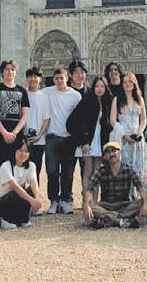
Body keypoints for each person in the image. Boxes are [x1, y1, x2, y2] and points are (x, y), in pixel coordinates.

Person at [35, 67, 81, 213]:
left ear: (67, 78)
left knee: (68, 172)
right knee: (52, 172)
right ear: (53, 79)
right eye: (56, 78)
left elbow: (80, 117)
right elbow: (33, 93)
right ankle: (54, 201)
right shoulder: (47, 92)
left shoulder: (75, 96)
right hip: (52, 137)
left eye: (62, 78)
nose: (59, 81)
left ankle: (65, 201)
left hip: (69, 139)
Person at [83, 141, 147, 229]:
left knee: (141, 202)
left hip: (124, 205)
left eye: (114, 151)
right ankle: (122, 221)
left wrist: (145, 204)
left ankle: (109, 220)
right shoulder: (101, 170)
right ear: (105, 156)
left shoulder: (128, 169)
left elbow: (141, 187)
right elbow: (90, 189)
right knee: (90, 206)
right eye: (108, 152)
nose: (111, 154)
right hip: (106, 205)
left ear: (120, 152)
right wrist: (86, 205)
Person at [0, 60, 30, 193]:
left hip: (16, 138)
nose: (10, 72)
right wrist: (4, 133)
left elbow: (25, 115)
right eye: (7, 69)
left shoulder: (22, 91)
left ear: (16, 72)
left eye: (12, 69)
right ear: (2, 72)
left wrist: (14, 133)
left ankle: (14, 202)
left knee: (16, 171)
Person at [67, 75, 112, 193]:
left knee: (97, 172)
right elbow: (72, 122)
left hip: (100, 141)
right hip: (88, 141)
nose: (99, 89)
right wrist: (83, 141)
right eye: (97, 86)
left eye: (102, 86)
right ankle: (86, 200)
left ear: (106, 88)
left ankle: (94, 201)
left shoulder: (108, 102)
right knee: (88, 171)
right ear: (93, 87)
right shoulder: (86, 100)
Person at [0, 137, 43, 229]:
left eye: (26, 151)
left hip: (17, 199)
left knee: (30, 191)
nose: (23, 154)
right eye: (20, 150)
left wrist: (37, 198)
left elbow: (33, 182)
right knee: (17, 192)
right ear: (14, 151)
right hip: (2, 203)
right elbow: (14, 186)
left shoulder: (31, 165)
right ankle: (4, 219)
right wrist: (31, 200)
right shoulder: (6, 165)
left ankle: (22, 219)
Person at [109, 71, 147, 182]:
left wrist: (139, 132)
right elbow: (112, 120)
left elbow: (143, 119)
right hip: (122, 138)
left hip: (137, 138)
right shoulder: (117, 99)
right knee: (123, 168)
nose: (127, 84)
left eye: (130, 81)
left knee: (138, 169)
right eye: (125, 82)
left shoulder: (140, 99)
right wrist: (124, 135)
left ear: (134, 83)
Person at [24, 66, 46, 178]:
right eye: (30, 76)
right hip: (23, 139)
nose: (33, 79)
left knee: (35, 171)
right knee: (22, 170)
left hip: (39, 140)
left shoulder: (45, 97)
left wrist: (39, 135)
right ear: (26, 79)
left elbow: (47, 119)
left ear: (40, 79)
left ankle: (35, 190)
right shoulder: (22, 94)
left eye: (35, 76)